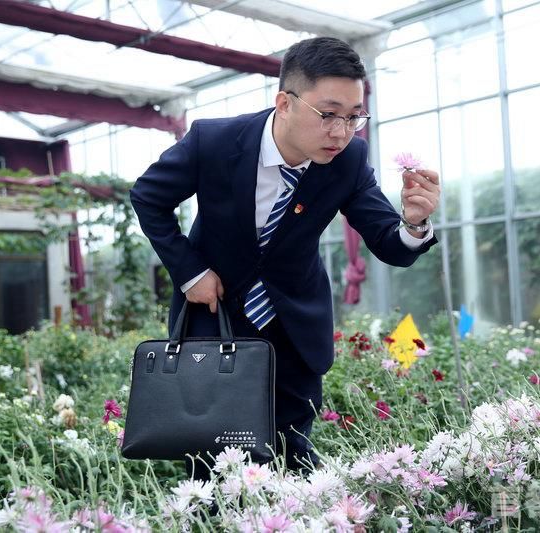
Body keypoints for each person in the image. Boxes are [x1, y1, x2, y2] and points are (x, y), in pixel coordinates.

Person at [130, 36, 440, 477]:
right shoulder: (213, 141)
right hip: (214, 318)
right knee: (209, 463)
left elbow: (387, 241)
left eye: (354, 116)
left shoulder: (349, 159)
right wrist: (191, 272)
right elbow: (148, 197)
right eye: (328, 114)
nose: (341, 132)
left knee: (293, 458)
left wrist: (413, 224)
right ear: (285, 103)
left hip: (294, 329)